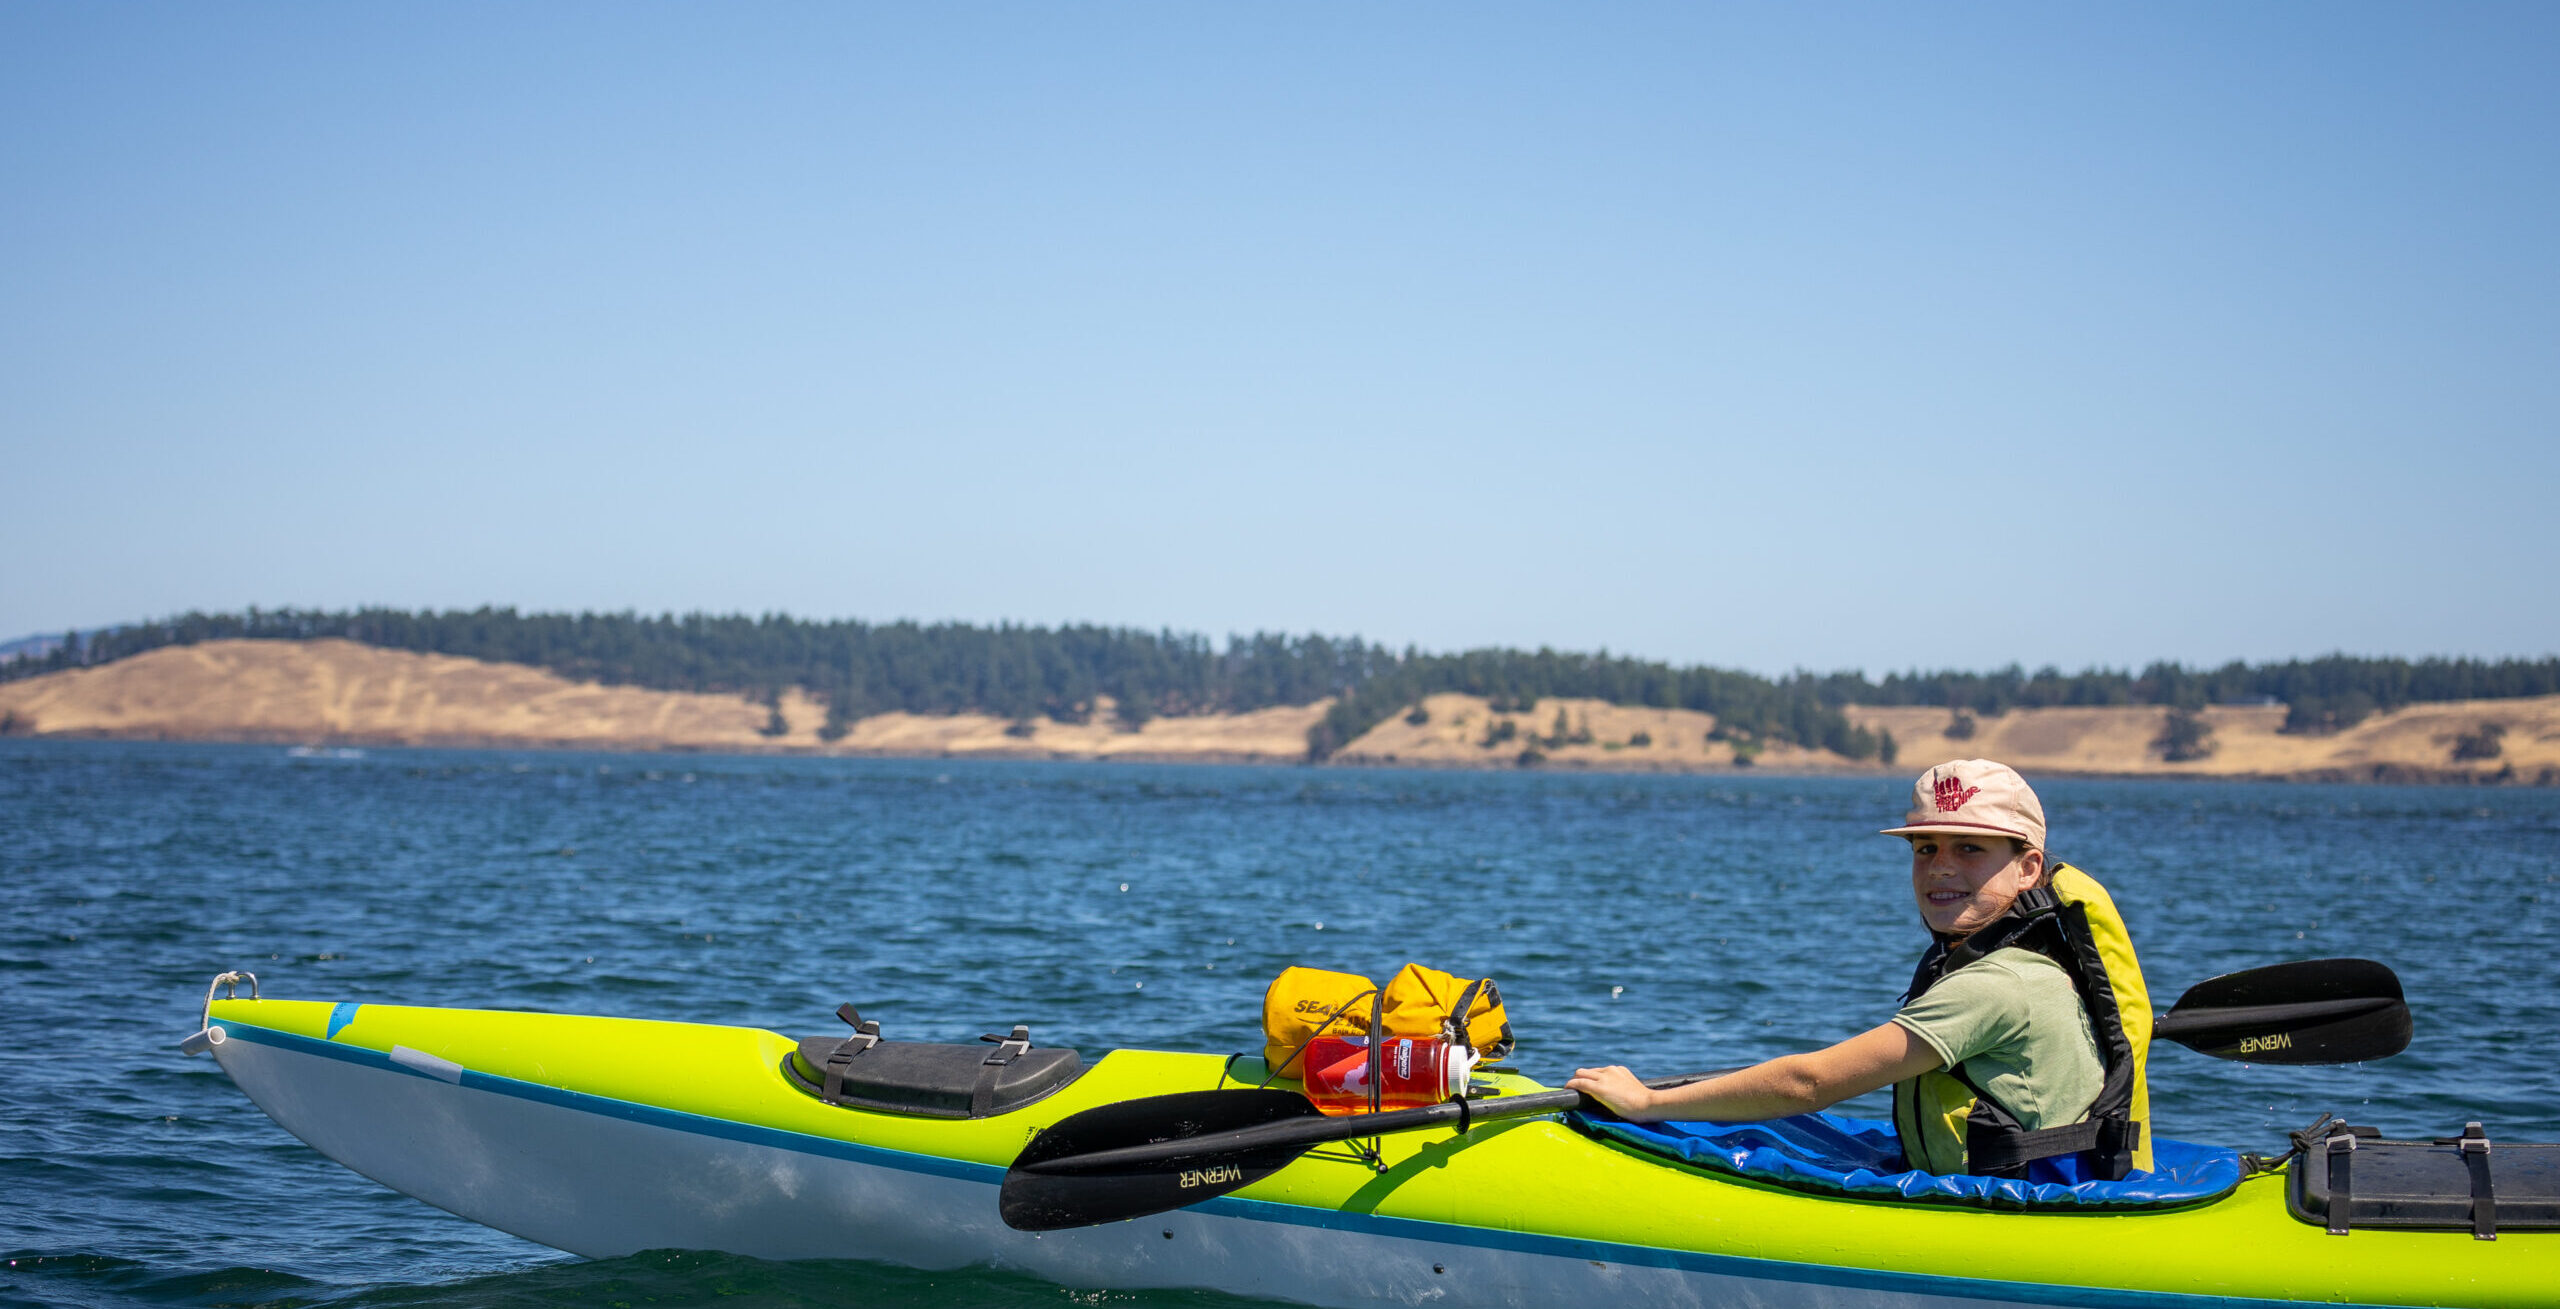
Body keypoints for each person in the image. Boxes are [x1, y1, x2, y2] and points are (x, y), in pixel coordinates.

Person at [1566, 759, 2153, 1181]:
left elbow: (1811, 1084)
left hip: (2022, 1207)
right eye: (1925, 849)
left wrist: (1649, 1104)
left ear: (2028, 868)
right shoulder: (2020, 958)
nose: (1940, 869)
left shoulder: (1998, 984)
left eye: (1969, 848)